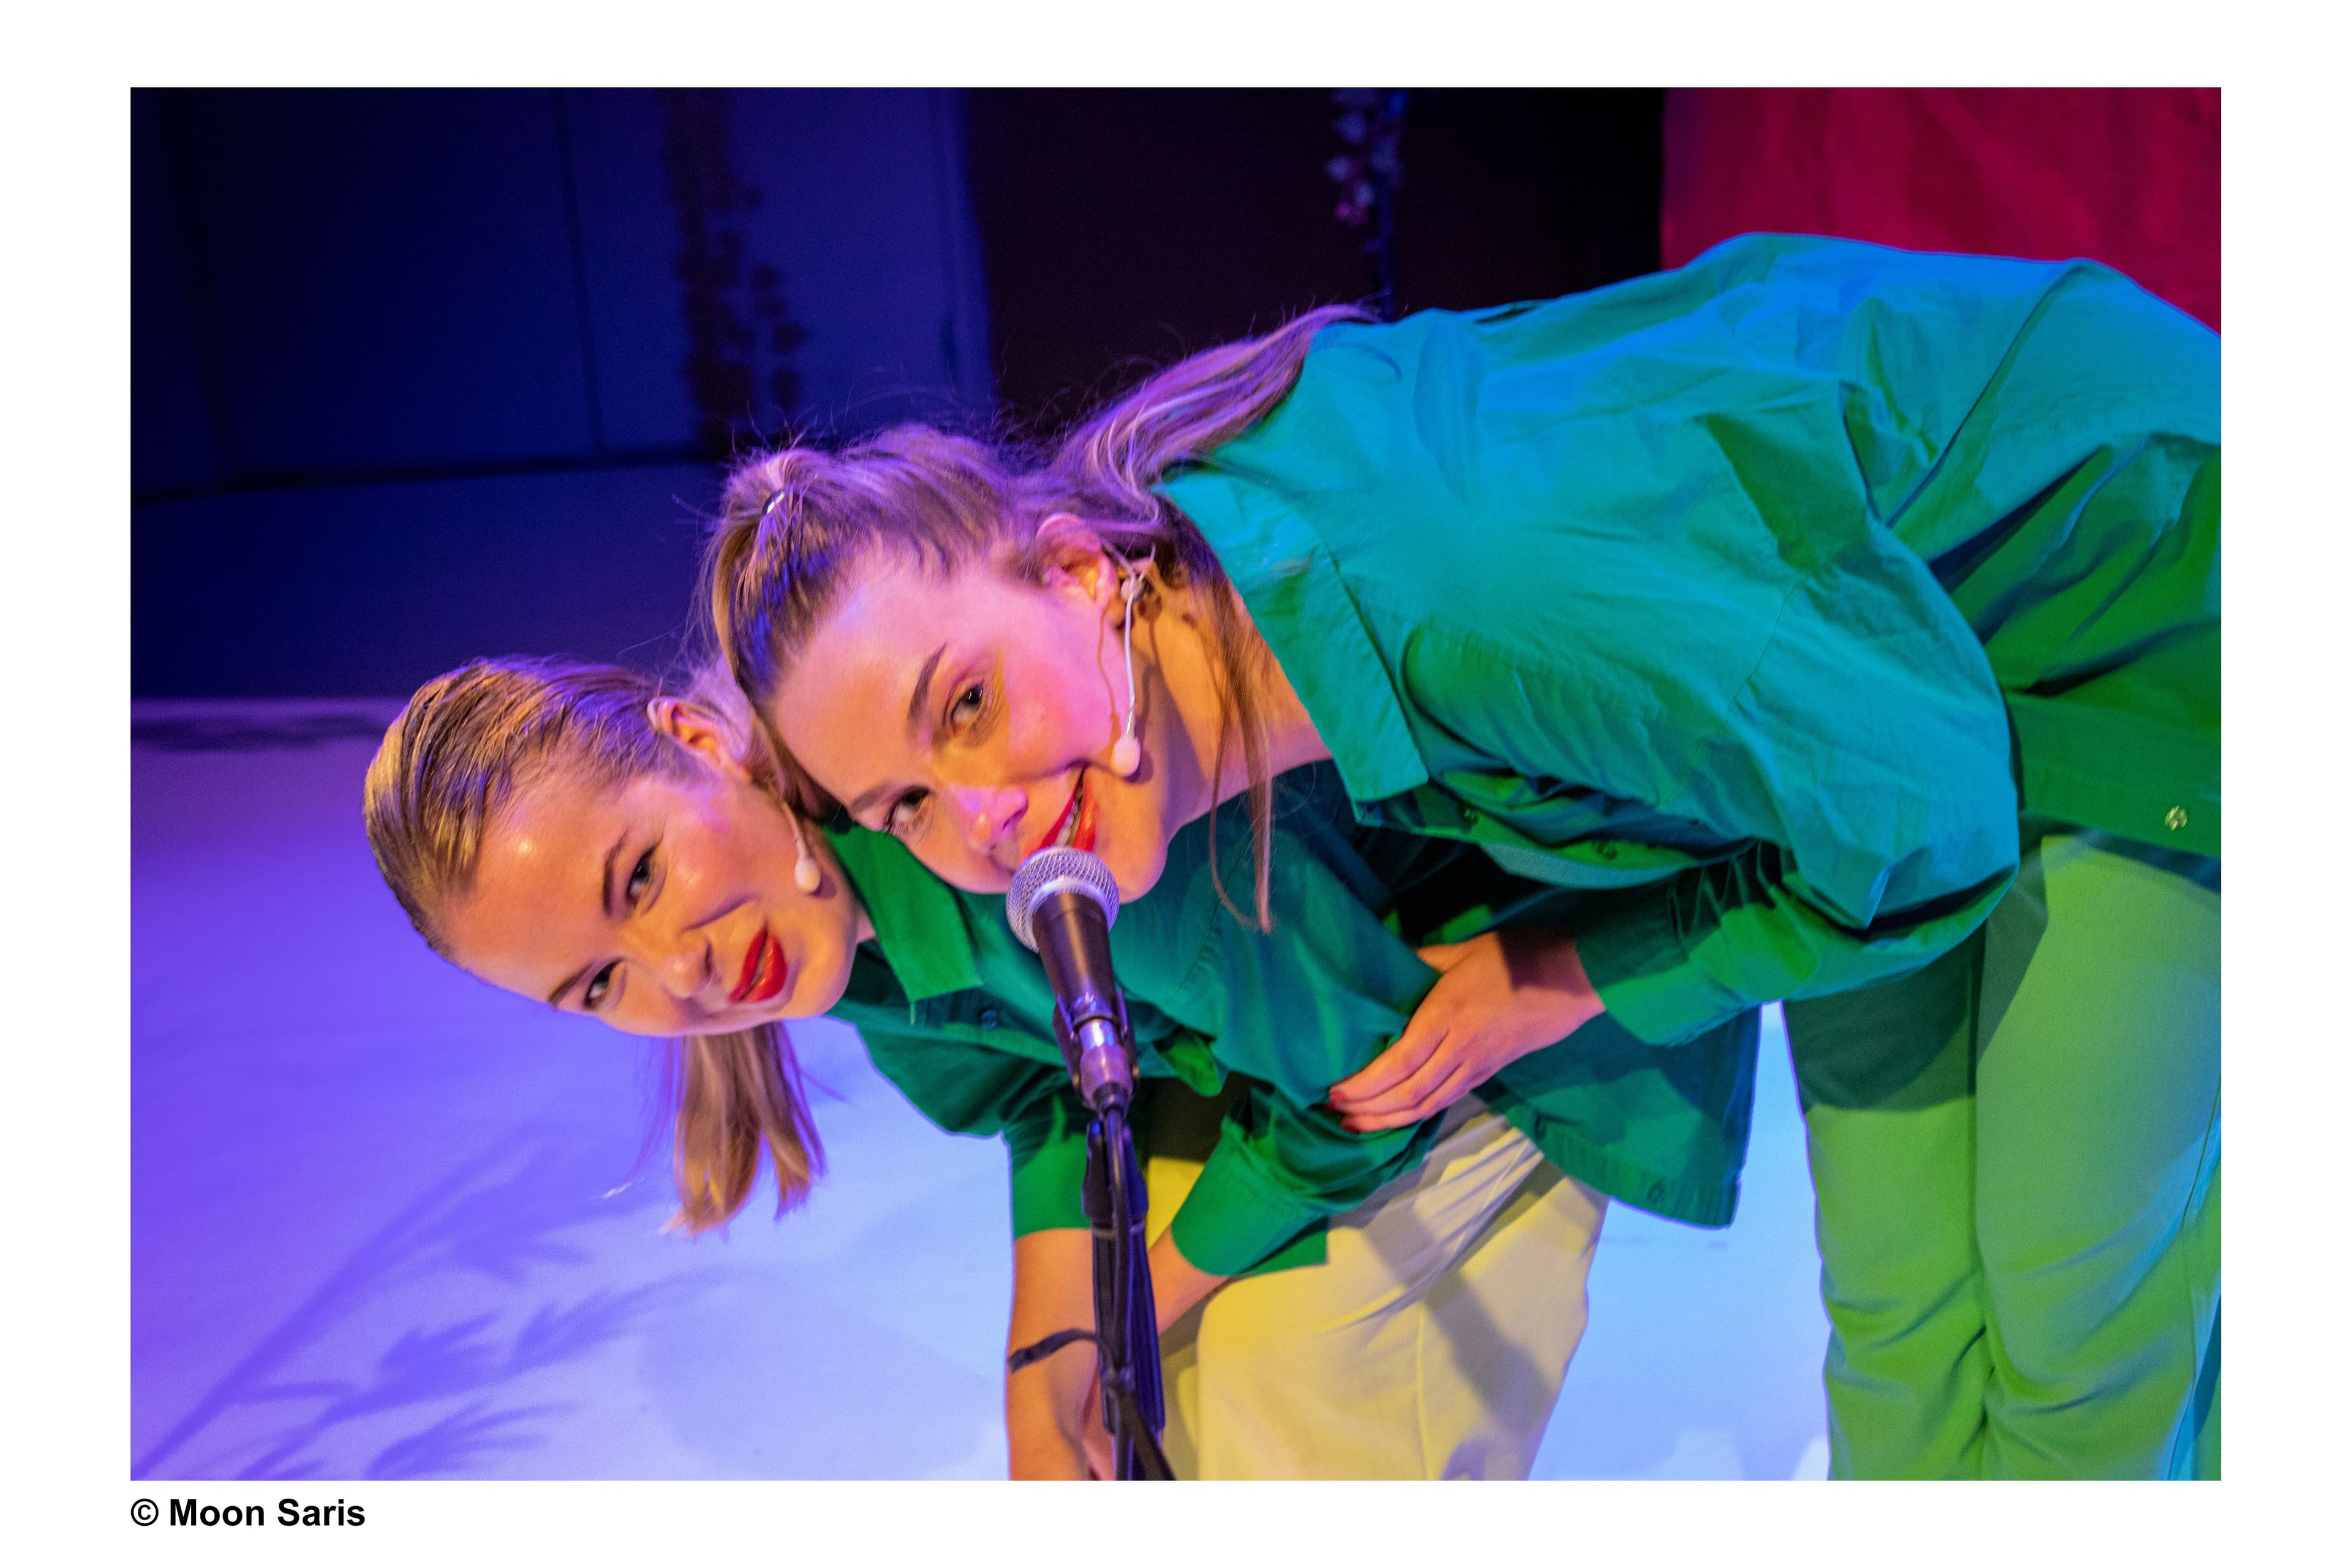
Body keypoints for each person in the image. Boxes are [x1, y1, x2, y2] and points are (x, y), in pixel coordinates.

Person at [704, 232, 2220, 1480]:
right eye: (904, 807)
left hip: (2127, 617)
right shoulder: (1218, 625)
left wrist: (1565, 974)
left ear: (1078, 567)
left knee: (2072, 1318)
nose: (981, 819)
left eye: (966, 705)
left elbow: (1924, 806)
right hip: (1867, 711)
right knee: (1899, 1307)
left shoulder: (1470, 603)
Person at [363, 654, 1745, 1478]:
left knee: (1278, 1404)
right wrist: (1046, 1363)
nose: (683, 971)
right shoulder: (811, 920)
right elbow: (1043, 1089)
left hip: (1494, 982)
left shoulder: (1013, 828)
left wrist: (1127, 1308)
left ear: (695, 740)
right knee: (1154, 1427)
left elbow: (1362, 1077)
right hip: (1289, 1049)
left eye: (641, 875)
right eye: (601, 983)